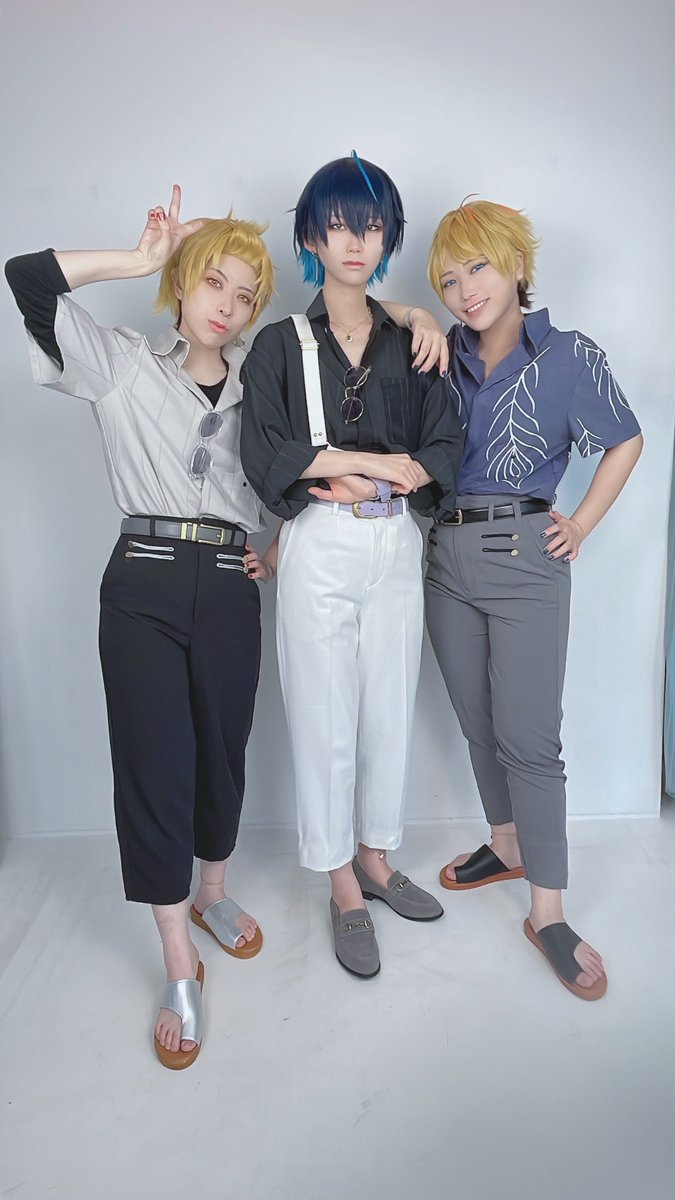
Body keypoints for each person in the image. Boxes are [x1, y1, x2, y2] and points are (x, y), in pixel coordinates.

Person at [5, 186, 276, 1067]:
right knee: (156, 763)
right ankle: (176, 956)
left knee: (222, 751)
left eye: (244, 296)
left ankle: (212, 891)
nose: (226, 306)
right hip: (144, 582)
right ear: (184, 284)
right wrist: (136, 259)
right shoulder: (122, 363)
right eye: (213, 283)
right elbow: (27, 277)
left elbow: (298, 474)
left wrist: (274, 547)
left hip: (229, 583)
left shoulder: (263, 386)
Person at [240, 154, 463, 978]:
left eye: (370, 227)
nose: (354, 242)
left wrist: (386, 477)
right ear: (310, 236)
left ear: (386, 237)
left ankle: (375, 856)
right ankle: (339, 881)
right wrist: (355, 465)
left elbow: (443, 442)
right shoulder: (277, 344)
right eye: (337, 225)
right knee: (323, 714)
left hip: (395, 540)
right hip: (319, 543)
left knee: (387, 707)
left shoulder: (412, 339)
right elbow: (264, 448)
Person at [420, 199, 643, 999]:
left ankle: (546, 911)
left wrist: (579, 522)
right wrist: (415, 316)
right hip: (443, 553)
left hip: (524, 557)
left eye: (477, 267)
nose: (465, 290)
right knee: (476, 718)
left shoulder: (567, 354)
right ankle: (506, 843)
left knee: (528, 736)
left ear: (516, 263)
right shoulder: (436, 353)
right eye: (448, 279)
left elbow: (625, 437)